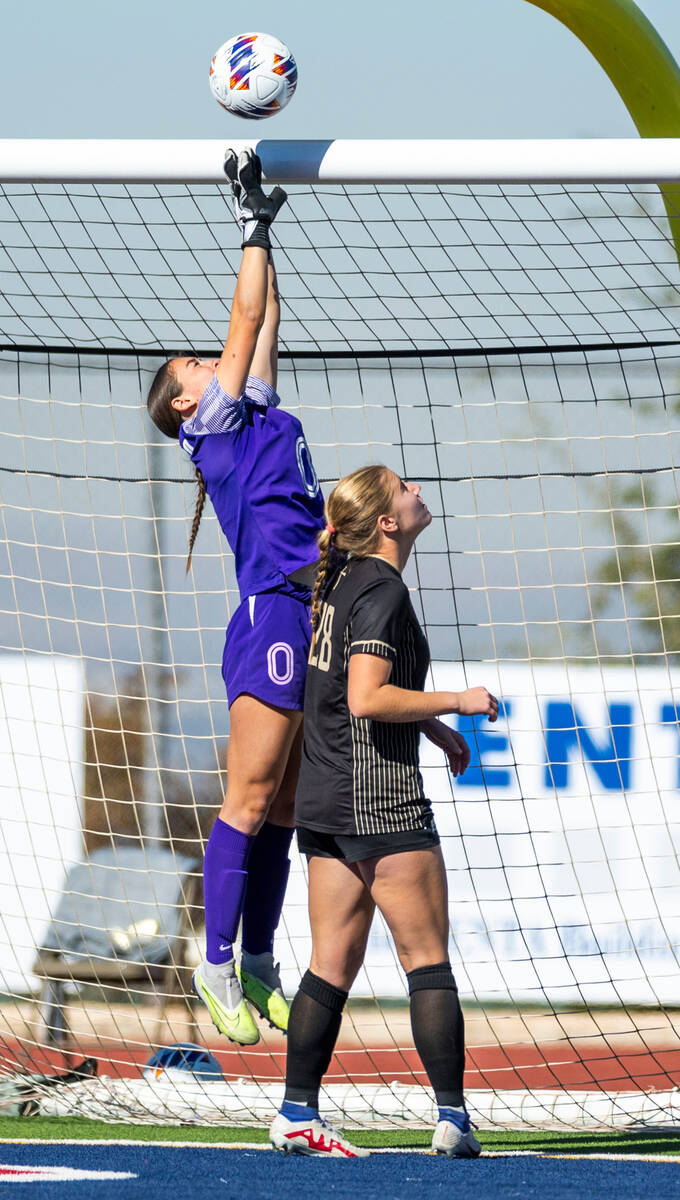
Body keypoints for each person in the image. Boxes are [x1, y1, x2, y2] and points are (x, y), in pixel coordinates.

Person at [269, 465, 499, 1158]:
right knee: (426, 961)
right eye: (405, 488)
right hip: (380, 800)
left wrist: (430, 728)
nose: (418, 490)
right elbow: (368, 697)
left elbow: (350, 688)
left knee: (330, 963)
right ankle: (453, 1119)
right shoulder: (383, 588)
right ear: (389, 522)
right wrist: (457, 702)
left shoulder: (339, 583)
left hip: (326, 796)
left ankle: (295, 1113)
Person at [146, 149, 324, 1046]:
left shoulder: (254, 413)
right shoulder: (213, 429)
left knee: (287, 808)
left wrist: (271, 233)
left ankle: (257, 962)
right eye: (196, 368)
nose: (212, 368)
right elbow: (246, 314)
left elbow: (268, 316)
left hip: (313, 610)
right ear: (184, 406)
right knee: (248, 802)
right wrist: (247, 223)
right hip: (272, 615)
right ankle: (214, 961)